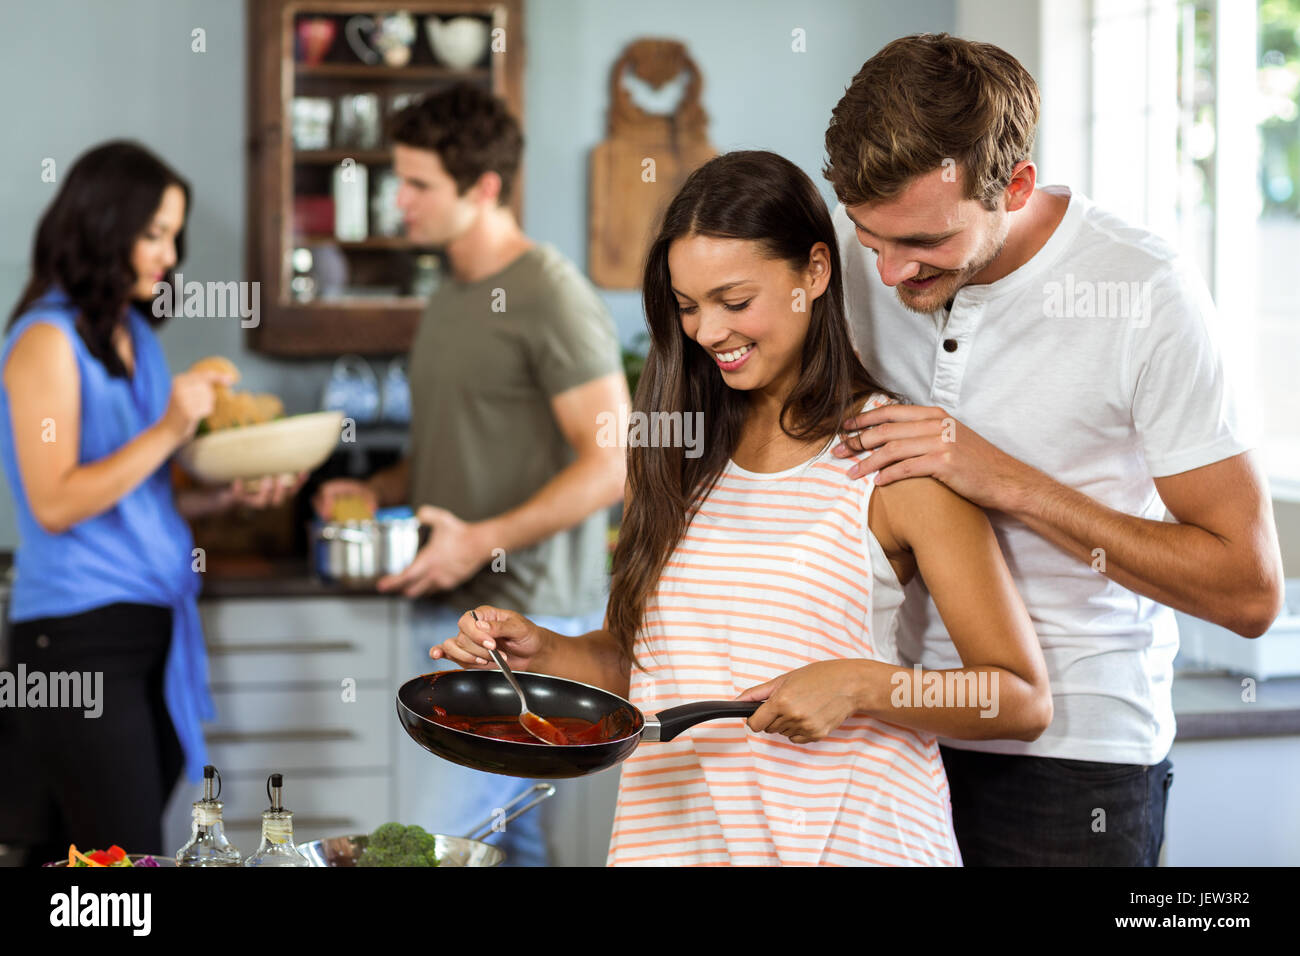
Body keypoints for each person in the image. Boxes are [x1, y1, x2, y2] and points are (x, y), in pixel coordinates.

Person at [431, 149, 1053, 866]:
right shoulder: (670, 457)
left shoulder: (891, 456)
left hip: (853, 840)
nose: (707, 332)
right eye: (688, 307)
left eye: (735, 301)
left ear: (814, 273)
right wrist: (542, 652)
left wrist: (860, 685)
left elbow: (1018, 698)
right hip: (674, 839)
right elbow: (639, 663)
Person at [821, 33, 1286, 865]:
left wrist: (1007, 481)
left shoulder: (1145, 292)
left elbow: (1249, 593)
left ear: (1017, 187)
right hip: (890, 732)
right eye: (868, 237)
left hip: (1075, 763)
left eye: (924, 246)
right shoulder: (873, 243)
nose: (889, 274)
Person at [312, 85, 628, 866]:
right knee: (510, 846)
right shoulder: (451, 294)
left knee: (415, 849)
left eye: (419, 185)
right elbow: (457, 444)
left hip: (527, 622)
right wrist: (377, 491)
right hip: (455, 613)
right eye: (399, 181)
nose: (400, 203)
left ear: (483, 188)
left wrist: (478, 540)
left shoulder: (549, 295)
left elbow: (614, 460)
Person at [0, 140, 298, 865]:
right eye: (154, 232)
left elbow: (142, 499)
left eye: (175, 234)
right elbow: (56, 503)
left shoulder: (135, 336)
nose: (170, 254)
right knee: (126, 860)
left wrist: (226, 497)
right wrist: (169, 428)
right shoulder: (44, 340)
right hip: (75, 638)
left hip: (147, 630)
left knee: (85, 860)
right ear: (103, 226)